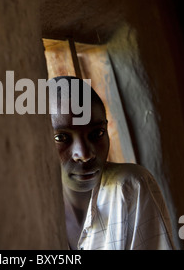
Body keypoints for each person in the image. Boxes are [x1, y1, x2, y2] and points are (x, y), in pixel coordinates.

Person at [49, 76, 175, 250]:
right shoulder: (28, 207)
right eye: (61, 137)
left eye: (97, 133)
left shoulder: (129, 186)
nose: (84, 154)